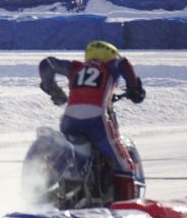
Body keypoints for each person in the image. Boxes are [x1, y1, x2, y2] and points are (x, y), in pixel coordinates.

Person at [38, 40, 146, 202]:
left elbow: (47, 63)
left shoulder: (75, 67)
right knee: (124, 164)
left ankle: (45, 192)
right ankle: (127, 206)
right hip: (96, 121)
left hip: (70, 120)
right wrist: (135, 88)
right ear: (110, 56)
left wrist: (53, 90)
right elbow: (124, 63)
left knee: (64, 154)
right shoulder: (110, 66)